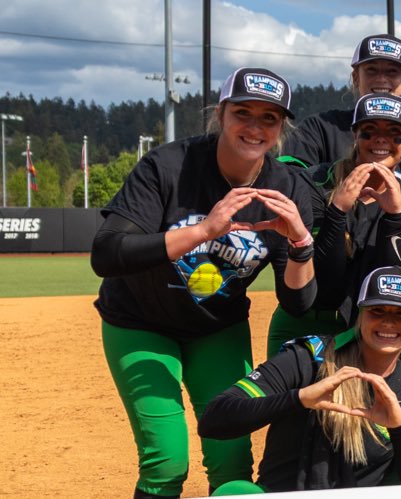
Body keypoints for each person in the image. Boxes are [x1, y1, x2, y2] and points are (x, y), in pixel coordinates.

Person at [90, 67, 316, 498]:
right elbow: (106, 253)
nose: (254, 127)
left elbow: (297, 301)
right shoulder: (169, 165)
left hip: (217, 328)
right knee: (167, 461)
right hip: (139, 322)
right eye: (243, 113)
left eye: (269, 118)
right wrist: (202, 231)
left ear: (281, 128)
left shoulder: (286, 187)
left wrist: (301, 243)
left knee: (232, 462)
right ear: (221, 114)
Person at [199, 266, 401, 493]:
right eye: (377, 310)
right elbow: (214, 419)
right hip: (284, 494)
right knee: (234, 492)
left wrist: (399, 428)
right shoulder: (307, 359)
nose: (388, 322)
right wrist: (299, 399)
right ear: (359, 315)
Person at [265, 93, 401, 356]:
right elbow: (326, 286)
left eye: (394, 132)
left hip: (377, 330)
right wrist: (337, 211)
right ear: (355, 135)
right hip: (305, 322)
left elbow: (399, 284)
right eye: (369, 130)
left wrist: (395, 218)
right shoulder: (314, 184)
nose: (381, 139)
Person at [282, 34, 401, 171]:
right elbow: (289, 180)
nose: (381, 79)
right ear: (356, 77)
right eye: (371, 70)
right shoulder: (318, 129)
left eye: (392, 71)